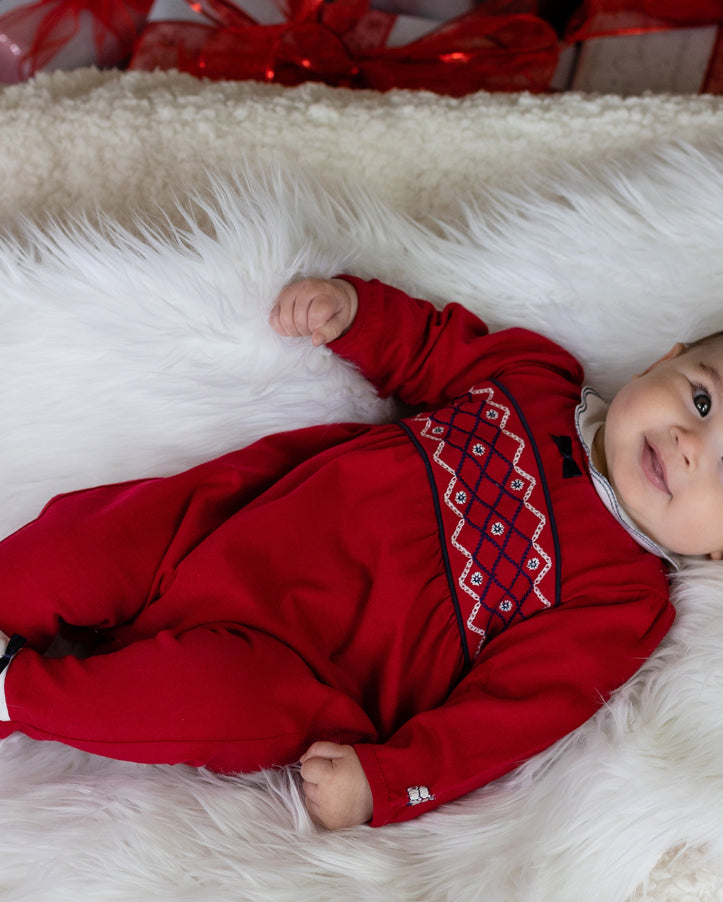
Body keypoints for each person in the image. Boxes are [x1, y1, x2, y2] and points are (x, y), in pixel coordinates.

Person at [0, 274, 718, 830]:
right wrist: (353, 313)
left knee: (200, 703)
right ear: (667, 359)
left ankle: (16, 692)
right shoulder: (536, 378)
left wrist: (386, 784)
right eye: (702, 402)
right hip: (228, 520)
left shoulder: (620, 602)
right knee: (77, 546)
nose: (689, 448)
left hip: (298, 661)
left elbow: (505, 718)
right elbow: (432, 348)